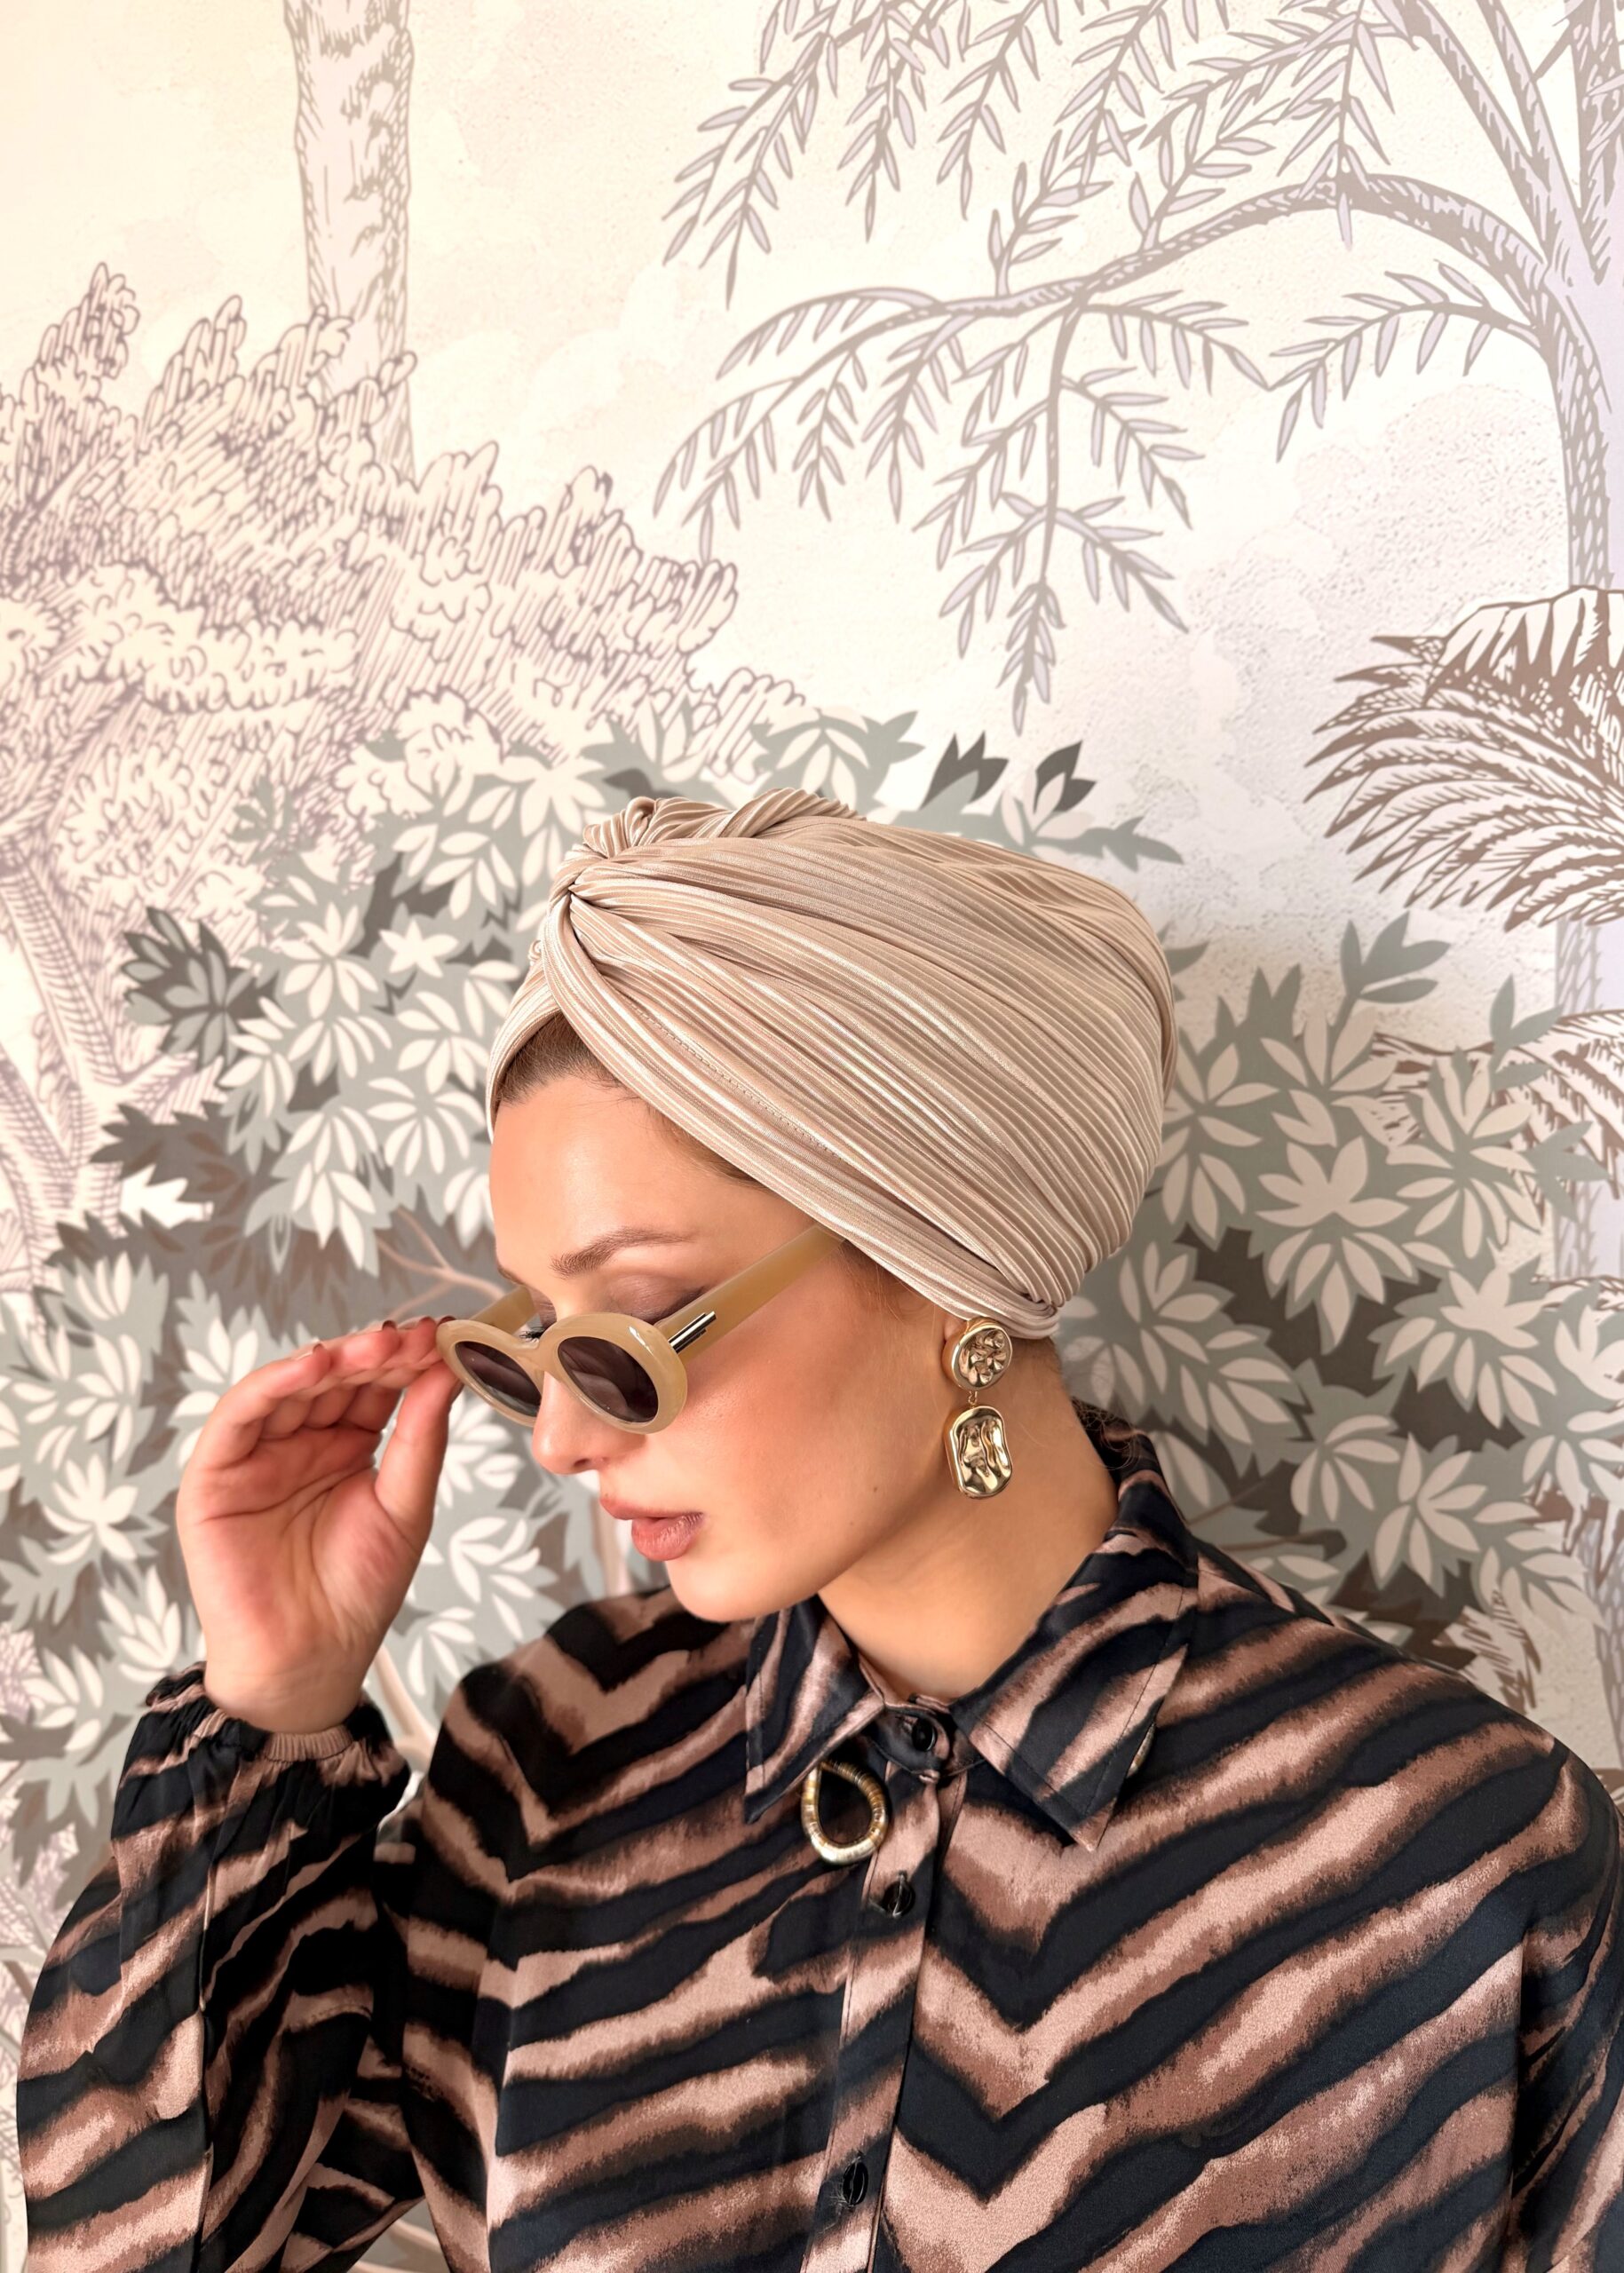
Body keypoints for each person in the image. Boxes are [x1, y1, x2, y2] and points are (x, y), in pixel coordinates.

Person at [18, 785, 1624, 2272]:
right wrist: (274, 1698)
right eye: (531, 1344)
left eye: (631, 1332)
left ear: (943, 1265)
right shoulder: (546, 1763)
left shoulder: (1455, 1858)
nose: (562, 1438)